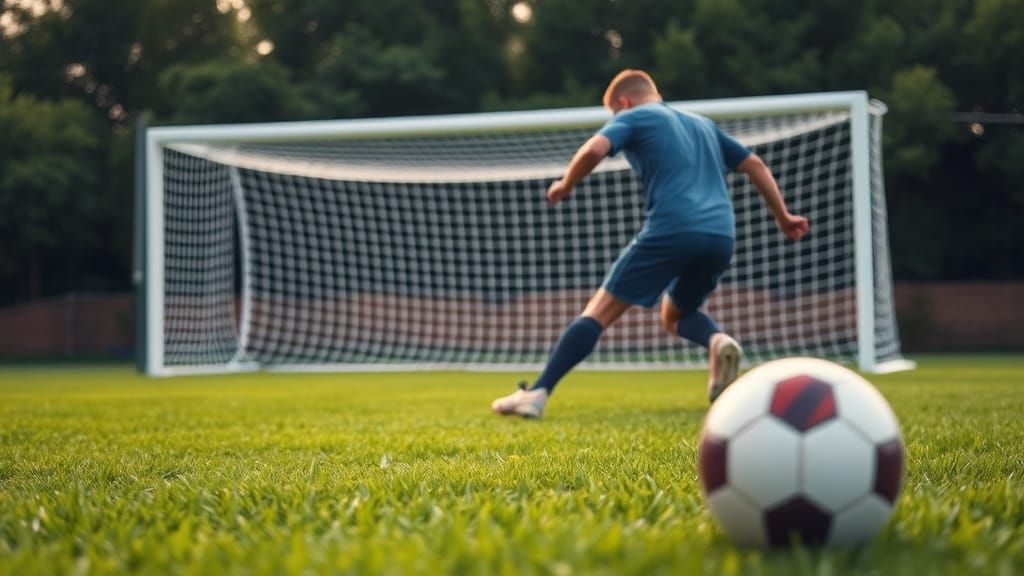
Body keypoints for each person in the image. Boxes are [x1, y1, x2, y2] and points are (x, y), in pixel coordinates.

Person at [491, 69, 809, 419]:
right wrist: (783, 216)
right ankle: (717, 341)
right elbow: (754, 164)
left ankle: (536, 392)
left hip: (671, 229)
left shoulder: (635, 116)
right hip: (721, 235)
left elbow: (594, 149)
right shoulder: (702, 124)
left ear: (623, 103)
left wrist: (566, 184)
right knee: (676, 313)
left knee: (599, 311)